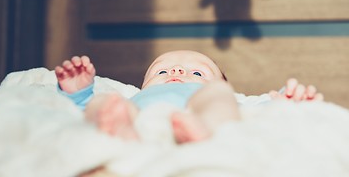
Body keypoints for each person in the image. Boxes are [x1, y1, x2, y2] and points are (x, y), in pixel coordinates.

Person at [55, 50, 323, 144]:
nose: (177, 71)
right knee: (105, 103)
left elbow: (254, 112)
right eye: (160, 70)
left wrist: (284, 106)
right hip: (140, 118)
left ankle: (206, 131)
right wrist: (78, 92)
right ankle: (121, 133)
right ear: (142, 86)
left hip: (198, 114)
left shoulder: (216, 93)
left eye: (197, 71)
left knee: (218, 98)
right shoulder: (134, 98)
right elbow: (75, 110)